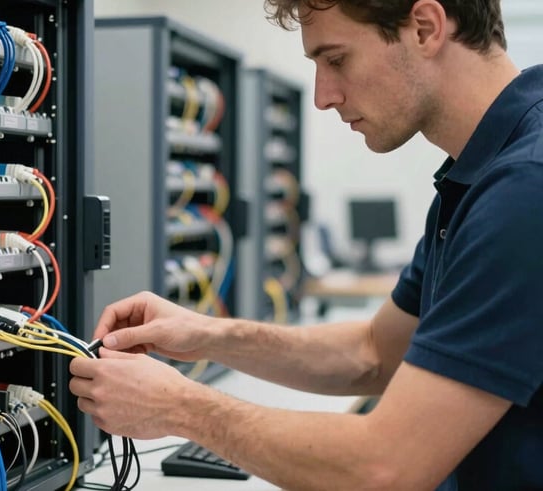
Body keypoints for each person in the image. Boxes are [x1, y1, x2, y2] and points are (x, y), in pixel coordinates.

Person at [70, 0, 543, 489]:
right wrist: (205, 334)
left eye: (336, 59)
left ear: (424, 28)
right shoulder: (480, 177)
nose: (322, 97)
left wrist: (179, 408)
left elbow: (383, 469)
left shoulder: (525, 187)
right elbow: (374, 352)